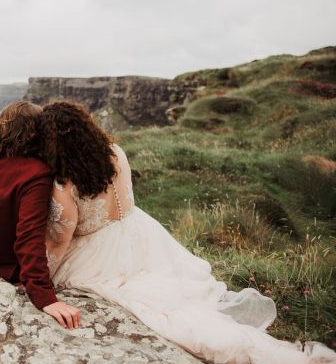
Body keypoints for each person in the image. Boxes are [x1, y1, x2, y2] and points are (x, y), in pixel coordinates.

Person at [38, 100, 336, 364]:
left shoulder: (66, 186)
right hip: (141, 234)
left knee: (166, 309)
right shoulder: (115, 152)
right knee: (173, 294)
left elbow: (58, 242)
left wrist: (36, 280)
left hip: (101, 253)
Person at [0, 101, 81, 329]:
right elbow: (29, 235)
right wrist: (44, 296)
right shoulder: (37, 172)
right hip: (3, 266)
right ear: (39, 134)